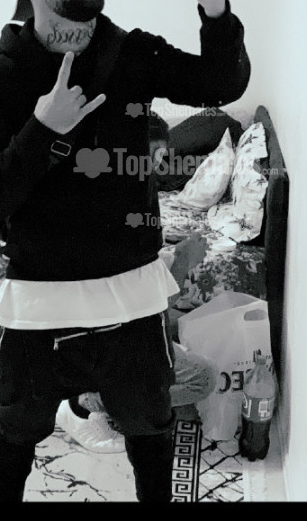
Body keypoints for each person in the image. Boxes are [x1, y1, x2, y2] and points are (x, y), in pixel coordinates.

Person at [0, 0, 250, 502]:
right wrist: (43, 129)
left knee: (150, 427)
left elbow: (221, 83)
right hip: (39, 300)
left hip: (131, 294)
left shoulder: (132, 56)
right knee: (14, 435)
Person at [57, 113, 218, 452]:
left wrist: (171, 255)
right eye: (147, 157)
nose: (151, 168)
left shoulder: (120, 193)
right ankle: (82, 405)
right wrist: (183, 259)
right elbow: (149, 304)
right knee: (201, 379)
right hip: (103, 334)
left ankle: (115, 394)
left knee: (183, 346)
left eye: (158, 159)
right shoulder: (107, 206)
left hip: (114, 323)